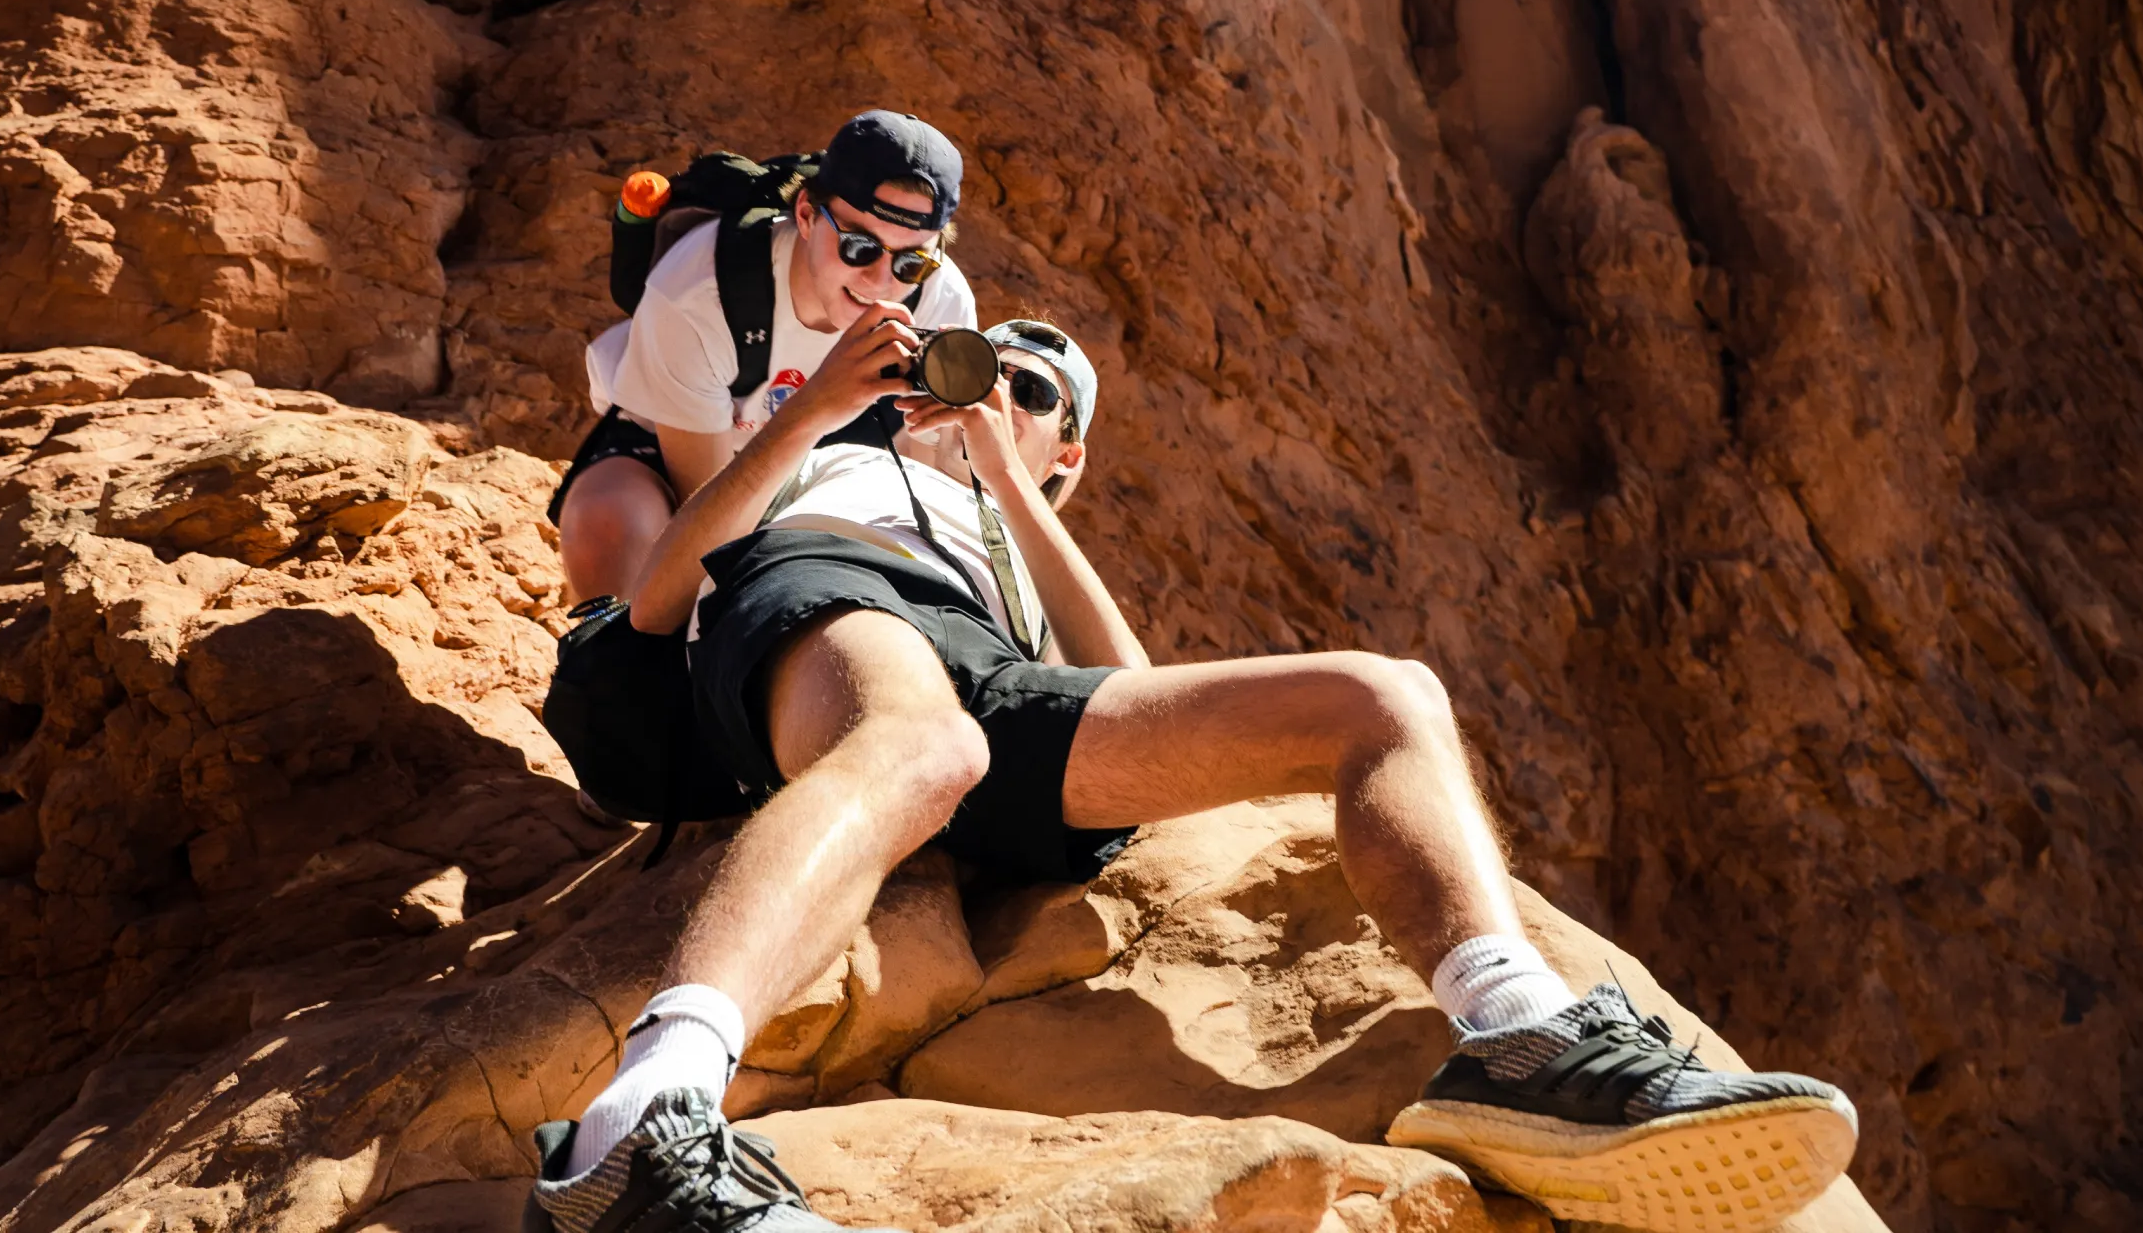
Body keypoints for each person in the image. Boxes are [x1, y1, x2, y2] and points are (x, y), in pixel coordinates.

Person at [522, 316, 1861, 1233]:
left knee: (1383, 693)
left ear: (1070, 446)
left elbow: (1124, 676)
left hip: (989, 664)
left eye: (1036, 389)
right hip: (822, 591)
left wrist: (1008, 471)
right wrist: (829, 410)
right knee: (922, 743)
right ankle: (637, 1126)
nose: (992, 387)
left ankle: (1522, 1040)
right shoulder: (844, 455)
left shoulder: (1011, 512)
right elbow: (669, 587)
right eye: (984, 362)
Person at [547, 110, 981, 605]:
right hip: (689, 453)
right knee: (610, 518)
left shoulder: (941, 302)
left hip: (827, 462)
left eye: (912, 261)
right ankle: (618, 667)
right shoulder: (699, 290)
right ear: (806, 215)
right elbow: (706, 519)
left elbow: (919, 487)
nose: (881, 282)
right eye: (859, 246)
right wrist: (815, 406)